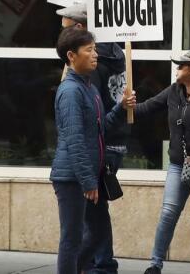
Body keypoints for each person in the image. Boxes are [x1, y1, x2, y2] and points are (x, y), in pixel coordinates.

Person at [51, 27, 135, 274]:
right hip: (72, 178)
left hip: (90, 175)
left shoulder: (89, 87)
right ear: (71, 56)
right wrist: (88, 181)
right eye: (89, 50)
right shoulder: (69, 91)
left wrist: (120, 109)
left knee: (98, 232)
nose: (95, 55)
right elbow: (74, 139)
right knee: (72, 238)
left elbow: (99, 130)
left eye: (95, 49)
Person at [133, 50, 190, 274]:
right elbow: (146, 108)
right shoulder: (174, 91)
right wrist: (127, 104)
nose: (176, 68)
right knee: (169, 212)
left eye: (181, 65)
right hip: (178, 162)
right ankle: (155, 263)